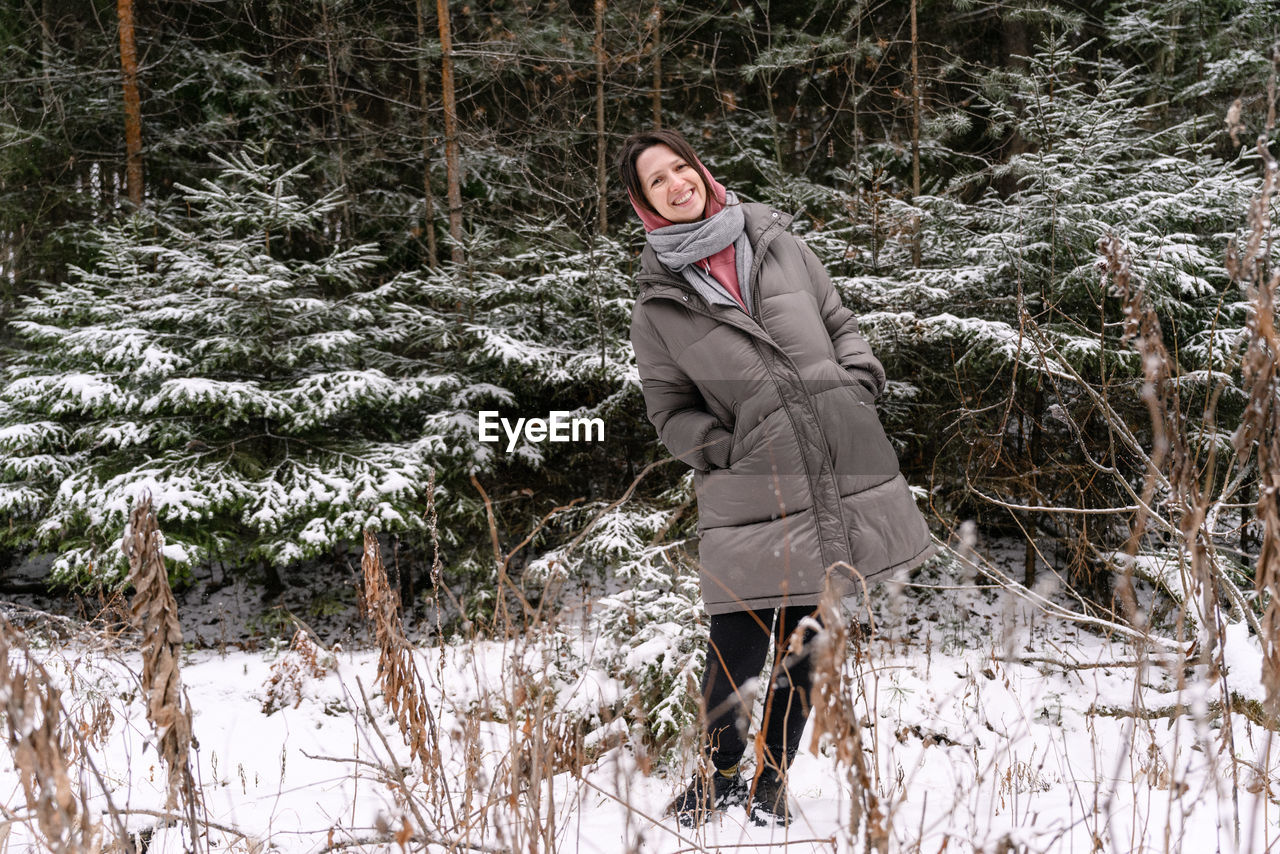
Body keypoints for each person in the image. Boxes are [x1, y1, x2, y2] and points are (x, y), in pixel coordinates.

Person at [618, 129, 935, 827]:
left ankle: (770, 780)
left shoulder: (777, 241)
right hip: (748, 488)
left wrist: (858, 382)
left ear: (701, 170)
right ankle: (717, 775)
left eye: (683, 167)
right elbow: (668, 410)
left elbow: (837, 319)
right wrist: (727, 447)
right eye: (658, 181)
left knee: (806, 640)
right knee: (733, 644)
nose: (678, 184)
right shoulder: (659, 306)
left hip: (830, 469)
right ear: (644, 205)